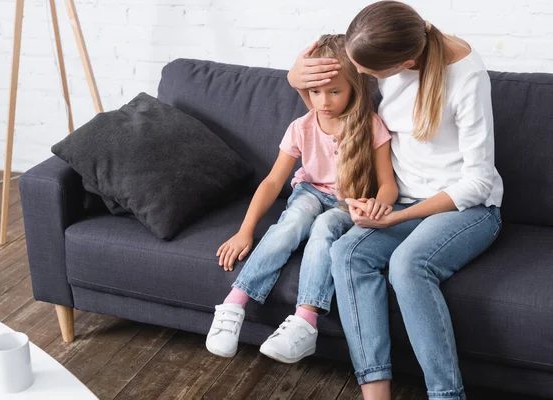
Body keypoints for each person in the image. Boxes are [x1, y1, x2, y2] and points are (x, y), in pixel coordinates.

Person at [287, 2, 503, 400]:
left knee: (407, 264)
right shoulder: (388, 47)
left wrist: (396, 219)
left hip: (467, 207)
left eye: (368, 73)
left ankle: (446, 395)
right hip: (402, 200)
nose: (363, 76)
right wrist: (295, 78)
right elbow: (336, 101)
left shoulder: (466, 78)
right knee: (348, 253)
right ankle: (376, 395)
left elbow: (478, 181)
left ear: (404, 62)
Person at [205, 34, 397, 364]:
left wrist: (379, 204)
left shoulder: (370, 125)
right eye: (315, 91)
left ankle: (304, 323)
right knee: (294, 219)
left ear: (353, 87)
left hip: (348, 203)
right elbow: (273, 181)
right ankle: (234, 304)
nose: (323, 100)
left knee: (324, 227)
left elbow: (388, 185)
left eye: (334, 91)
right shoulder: (301, 127)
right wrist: (245, 230)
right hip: (309, 191)